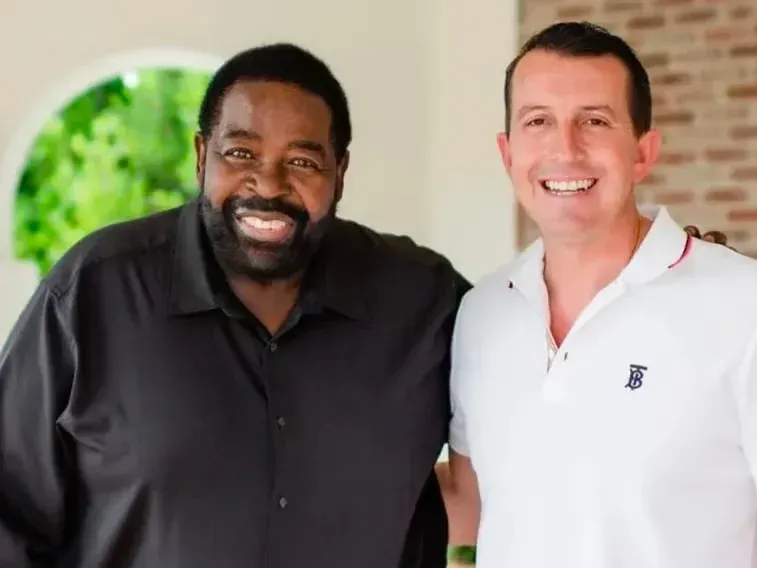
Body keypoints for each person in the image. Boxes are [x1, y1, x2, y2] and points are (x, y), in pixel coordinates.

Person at [0, 43, 467, 567]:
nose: (268, 185)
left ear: (340, 171)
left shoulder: (422, 301)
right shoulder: (92, 293)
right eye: (241, 153)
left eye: (302, 161)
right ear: (202, 156)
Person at [437, 21, 757, 568]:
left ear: (643, 153)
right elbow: (473, 503)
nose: (565, 148)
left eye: (594, 121)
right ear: (508, 154)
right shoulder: (481, 312)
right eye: (538, 121)